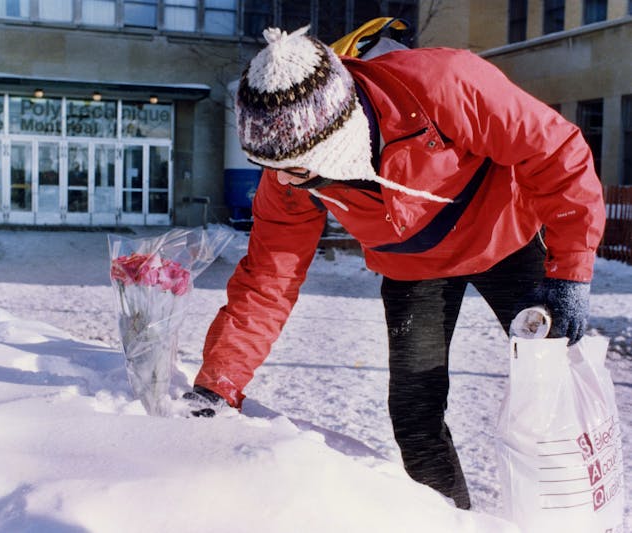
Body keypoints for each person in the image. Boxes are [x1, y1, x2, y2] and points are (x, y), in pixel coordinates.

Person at [182, 26, 606, 509]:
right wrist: (220, 383)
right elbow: (268, 277)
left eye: (296, 168)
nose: (282, 180)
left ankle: (580, 513)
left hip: (503, 238)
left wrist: (571, 270)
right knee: (415, 415)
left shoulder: (443, 84)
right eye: (271, 166)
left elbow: (555, 151)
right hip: (413, 268)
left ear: (331, 143)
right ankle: (451, 521)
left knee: (560, 392)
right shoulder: (288, 175)